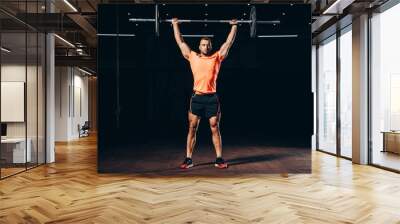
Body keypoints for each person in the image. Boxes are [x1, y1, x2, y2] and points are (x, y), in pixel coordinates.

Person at [171, 18, 238, 169]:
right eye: (203, 44)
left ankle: (219, 159)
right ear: (199, 46)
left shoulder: (217, 58)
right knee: (192, 127)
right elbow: (180, 42)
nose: (205, 46)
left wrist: (234, 26)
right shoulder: (192, 56)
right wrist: (175, 25)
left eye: (208, 44)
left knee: (215, 126)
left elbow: (228, 43)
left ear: (211, 46)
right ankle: (188, 159)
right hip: (197, 97)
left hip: (212, 98)